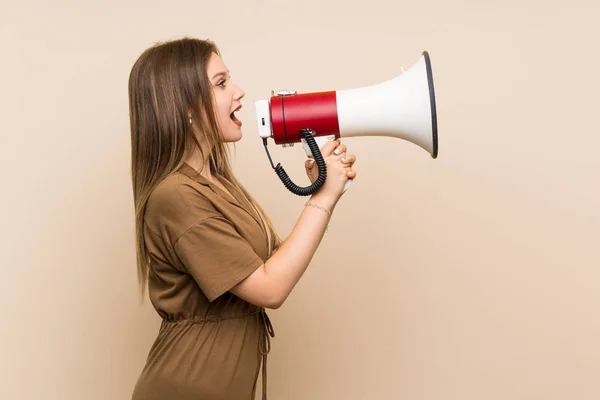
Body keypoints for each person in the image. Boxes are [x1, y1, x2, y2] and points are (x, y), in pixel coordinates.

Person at [128, 37, 357, 400]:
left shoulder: (216, 184)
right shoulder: (175, 196)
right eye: (220, 84)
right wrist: (321, 199)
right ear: (185, 108)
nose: (238, 91)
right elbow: (269, 287)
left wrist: (324, 190)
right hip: (188, 388)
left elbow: (274, 265)